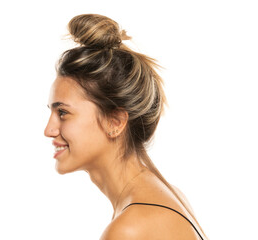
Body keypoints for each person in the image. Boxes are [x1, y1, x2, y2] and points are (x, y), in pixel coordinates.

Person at [44, 14, 208, 240]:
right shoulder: (164, 196)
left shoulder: (130, 229)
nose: (49, 130)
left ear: (115, 122)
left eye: (63, 113)